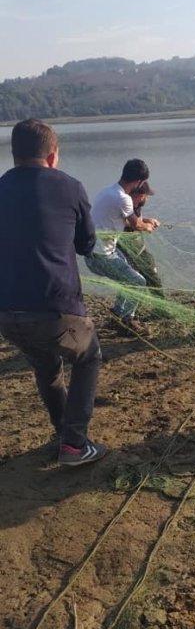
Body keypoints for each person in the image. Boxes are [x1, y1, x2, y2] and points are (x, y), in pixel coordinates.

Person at [0, 118, 105, 466]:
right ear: (53, 156)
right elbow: (87, 245)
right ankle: (74, 445)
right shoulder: (70, 187)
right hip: (57, 311)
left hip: (8, 315)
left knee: (46, 367)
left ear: (14, 155)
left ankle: (64, 433)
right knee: (88, 356)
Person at [85, 160, 160, 330]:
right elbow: (136, 225)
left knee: (129, 280)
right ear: (139, 182)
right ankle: (127, 320)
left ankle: (118, 315)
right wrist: (148, 226)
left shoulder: (108, 191)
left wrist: (147, 220)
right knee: (139, 281)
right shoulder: (123, 198)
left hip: (95, 251)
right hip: (101, 256)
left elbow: (124, 220)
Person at [118, 182, 164, 295]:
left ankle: (157, 301)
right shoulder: (124, 203)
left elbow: (136, 220)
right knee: (136, 277)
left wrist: (148, 221)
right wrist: (145, 226)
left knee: (151, 270)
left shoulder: (136, 206)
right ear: (140, 195)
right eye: (146, 196)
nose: (146, 199)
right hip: (127, 249)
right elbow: (131, 223)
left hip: (138, 247)